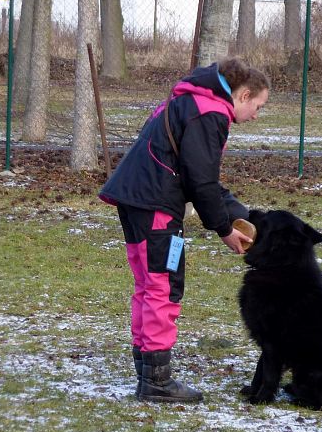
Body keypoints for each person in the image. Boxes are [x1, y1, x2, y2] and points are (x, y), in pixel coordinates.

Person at [99, 57, 270, 402]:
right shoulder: (210, 113)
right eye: (258, 106)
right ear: (244, 94)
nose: (256, 115)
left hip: (137, 198)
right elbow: (201, 181)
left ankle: (149, 374)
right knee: (163, 287)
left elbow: (199, 177)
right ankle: (157, 384)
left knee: (148, 286)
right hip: (156, 204)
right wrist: (224, 228)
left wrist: (243, 214)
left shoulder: (191, 100)